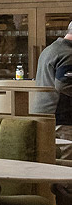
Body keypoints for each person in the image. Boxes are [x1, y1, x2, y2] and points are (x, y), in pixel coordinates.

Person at [35, 21, 72, 164]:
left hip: (45, 114)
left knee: (50, 161)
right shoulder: (68, 53)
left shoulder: (52, 48)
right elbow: (64, 85)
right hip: (61, 117)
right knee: (66, 166)